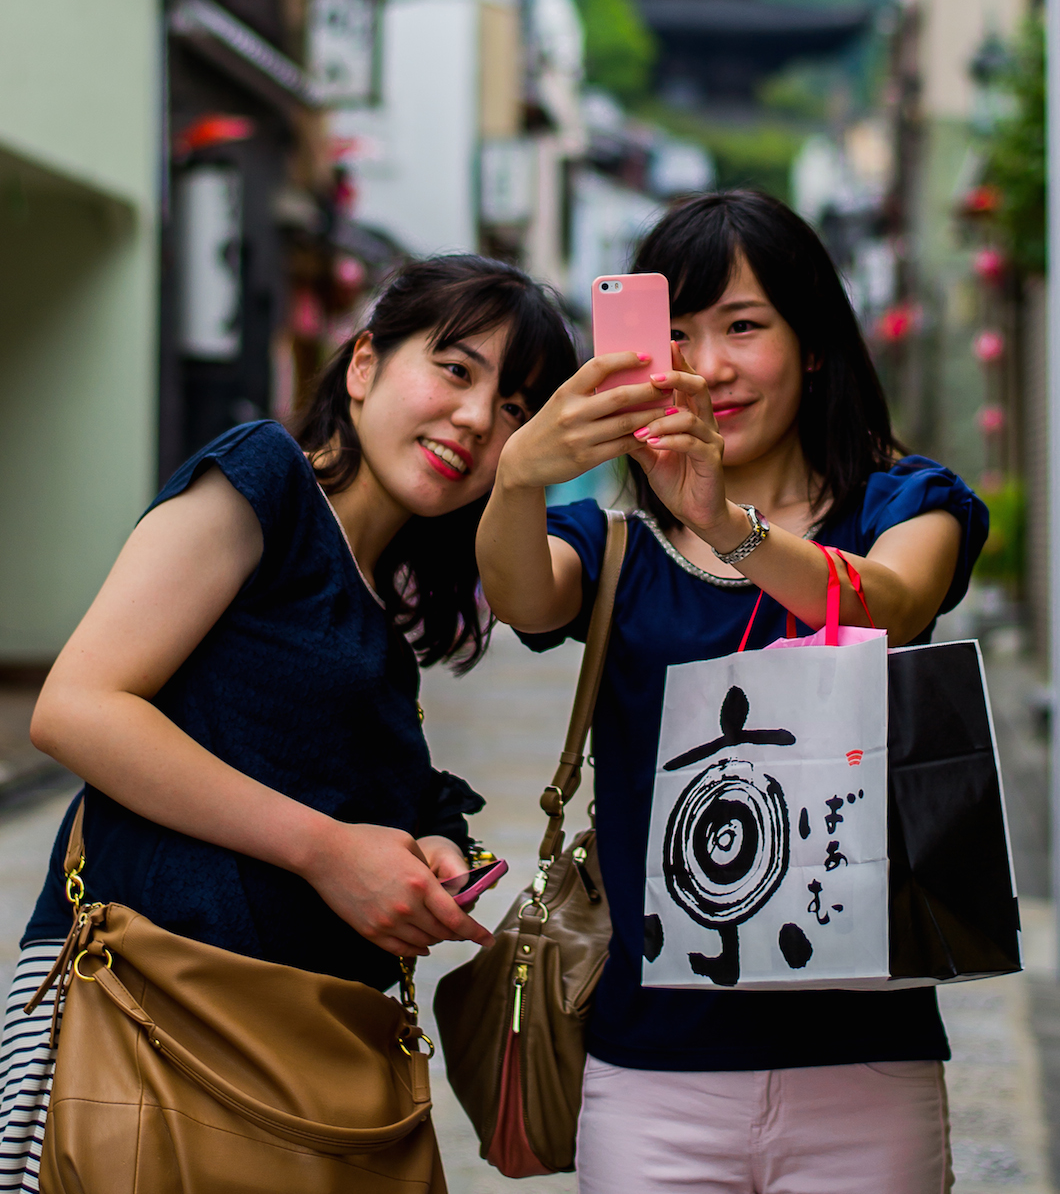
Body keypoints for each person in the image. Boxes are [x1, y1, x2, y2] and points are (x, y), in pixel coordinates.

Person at [0, 253, 576, 1193]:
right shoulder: (264, 476)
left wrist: (428, 843)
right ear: (362, 367)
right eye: (455, 369)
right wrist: (327, 852)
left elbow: (335, 778)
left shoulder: (383, 615)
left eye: (516, 409)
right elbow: (78, 707)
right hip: (155, 1023)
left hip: (300, 1070)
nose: (478, 420)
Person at [477, 189, 987, 1194]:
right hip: (653, 1074)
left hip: (865, 1063)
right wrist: (516, 481)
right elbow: (522, 594)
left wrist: (727, 525)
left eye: (742, 327)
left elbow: (887, 604)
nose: (706, 366)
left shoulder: (903, 501)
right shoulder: (618, 544)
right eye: (675, 335)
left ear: (811, 345)